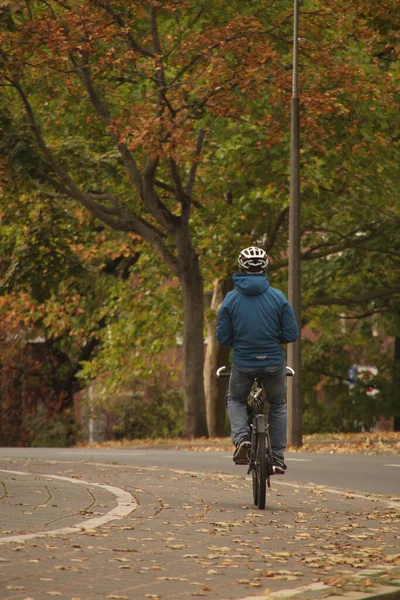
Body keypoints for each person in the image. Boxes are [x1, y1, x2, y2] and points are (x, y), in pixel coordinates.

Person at [216, 246, 299, 473]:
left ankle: (243, 438)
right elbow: (291, 334)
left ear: (241, 267)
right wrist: (271, 341)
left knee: (235, 399)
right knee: (278, 405)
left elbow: (222, 336)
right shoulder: (278, 297)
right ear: (264, 268)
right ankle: (277, 458)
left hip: (243, 363)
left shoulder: (231, 299)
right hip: (273, 362)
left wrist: (242, 344)